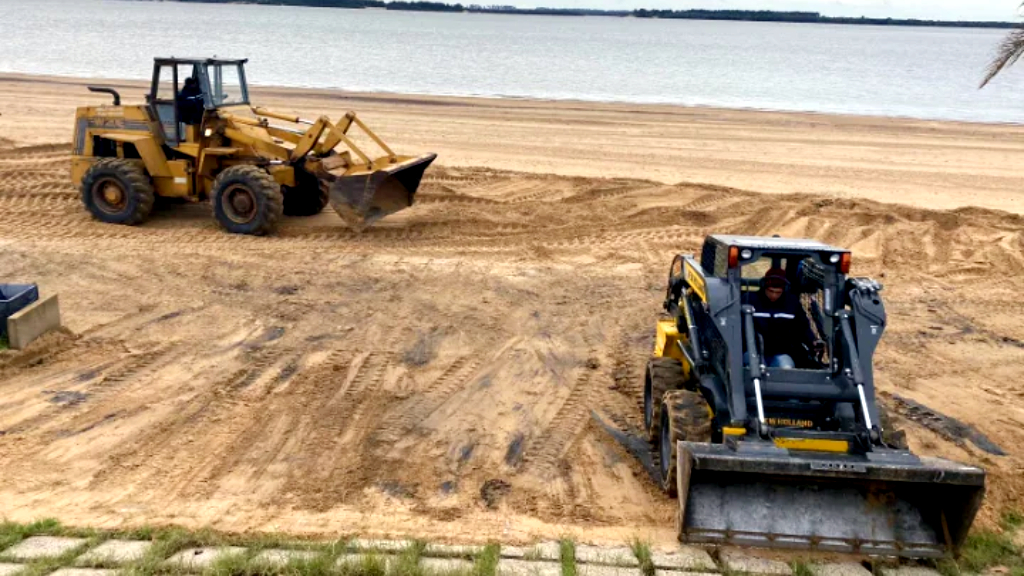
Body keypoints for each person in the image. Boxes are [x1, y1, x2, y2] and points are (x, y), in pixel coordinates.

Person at [747, 267, 823, 369]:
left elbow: (803, 327)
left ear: (784, 290)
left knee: (786, 368)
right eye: (771, 291)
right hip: (752, 350)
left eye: (778, 292)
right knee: (752, 366)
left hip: (782, 352)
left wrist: (812, 341)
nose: (773, 295)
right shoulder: (749, 300)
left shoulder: (792, 304)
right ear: (764, 286)